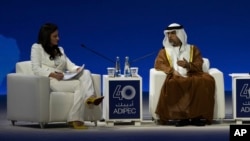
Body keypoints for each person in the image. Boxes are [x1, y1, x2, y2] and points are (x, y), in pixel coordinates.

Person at [30, 23, 104, 129]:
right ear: (47, 37)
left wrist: (77, 69)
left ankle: (90, 98)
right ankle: (75, 119)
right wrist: (52, 74)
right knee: (79, 85)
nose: (58, 38)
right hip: (50, 80)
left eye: (58, 35)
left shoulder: (60, 49)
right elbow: (36, 69)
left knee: (86, 72)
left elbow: (70, 65)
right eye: (55, 36)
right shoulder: (37, 48)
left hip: (63, 78)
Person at [154, 23, 215, 126]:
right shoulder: (164, 51)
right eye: (168, 34)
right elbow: (159, 64)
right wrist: (172, 71)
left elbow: (199, 63)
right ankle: (182, 118)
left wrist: (188, 65)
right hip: (175, 75)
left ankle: (197, 117)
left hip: (192, 74)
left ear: (180, 35)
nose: (169, 36)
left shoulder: (192, 49)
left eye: (172, 34)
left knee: (206, 80)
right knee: (173, 83)